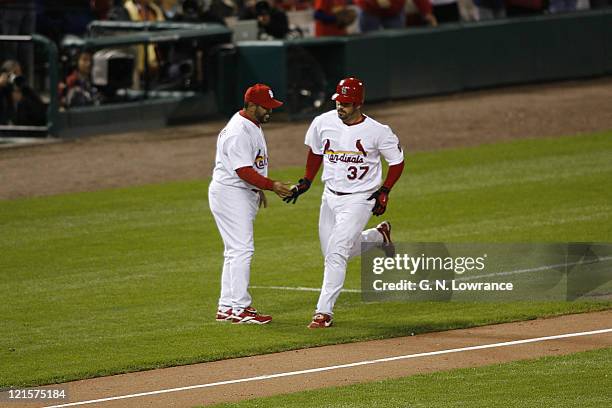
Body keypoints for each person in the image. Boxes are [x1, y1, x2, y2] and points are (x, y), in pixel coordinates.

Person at [284, 77, 405, 328]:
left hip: (360, 199)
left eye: (347, 103)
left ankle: (323, 312)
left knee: (336, 253)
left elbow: (396, 162)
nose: (341, 107)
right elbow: (316, 152)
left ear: (358, 104)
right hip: (329, 196)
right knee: (331, 253)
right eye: (339, 101)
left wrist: (385, 190)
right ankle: (378, 237)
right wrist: (306, 181)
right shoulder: (322, 123)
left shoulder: (378, 131)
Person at [209, 83, 293, 325]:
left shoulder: (250, 124)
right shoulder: (238, 131)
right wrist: (271, 185)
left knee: (234, 251)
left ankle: (226, 306)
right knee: (242, 250)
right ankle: (240, 309)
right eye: (266, 107)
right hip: (231, 193)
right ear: (252, 105)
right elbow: (243, 170)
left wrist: (259, 188)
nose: (270, 111)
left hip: (237, 192)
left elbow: (250, 167)